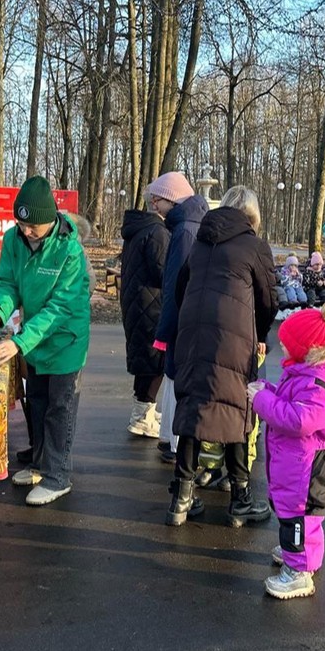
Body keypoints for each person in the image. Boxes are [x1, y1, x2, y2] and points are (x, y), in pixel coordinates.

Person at [167, 185, 278, 527]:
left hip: (193, 332)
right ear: (252, 215)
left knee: (192, 404)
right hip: (233, 335)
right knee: (237, 407)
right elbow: (268, 299)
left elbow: (181, 287)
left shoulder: (201, 241)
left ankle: (181, 499)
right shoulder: (254, 245)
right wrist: (258, 334)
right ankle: (240, 498)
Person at [0, 176, 92, 506]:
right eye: (22, 224)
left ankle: (58, 476)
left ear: (51, 219)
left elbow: (60, 306)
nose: (27, 231)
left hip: (65, 338)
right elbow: (6, 283)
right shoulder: (13, 240)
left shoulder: (69, 250)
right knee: (38, 401)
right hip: (34, 337)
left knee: (60, 407)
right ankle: (40, 464)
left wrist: (19, 342)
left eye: (34, 226)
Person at [249, 304, 325, 599]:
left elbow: (300, 420)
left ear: (306, 348)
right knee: (297, 514)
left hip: (308, 463)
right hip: (298, 460)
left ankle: (299, 572)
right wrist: (269, 391)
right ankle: (300, 555)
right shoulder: (307, 372)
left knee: (300, 517)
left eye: (287, 345)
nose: (283, 350)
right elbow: (291, 402)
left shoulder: (318, 383)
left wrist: (262, 401)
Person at [149, 171, 210, 463]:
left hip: (183, 321)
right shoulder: (191, 223)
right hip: (193, 318)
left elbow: (175, 284)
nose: (153, 207)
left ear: (170, 200)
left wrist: (163, 332)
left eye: (156, 201)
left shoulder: (184, 229)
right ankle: (171, 438)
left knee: (176, 377)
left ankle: (177, 444)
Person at [119, 206, 169, 437]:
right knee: (154, 357)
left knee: (145, 356)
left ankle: (143, 410)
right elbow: (163, 271)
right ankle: (142, 415)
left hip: (138, 301)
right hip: (153, 303)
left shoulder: (139, 228)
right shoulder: (157, 232)